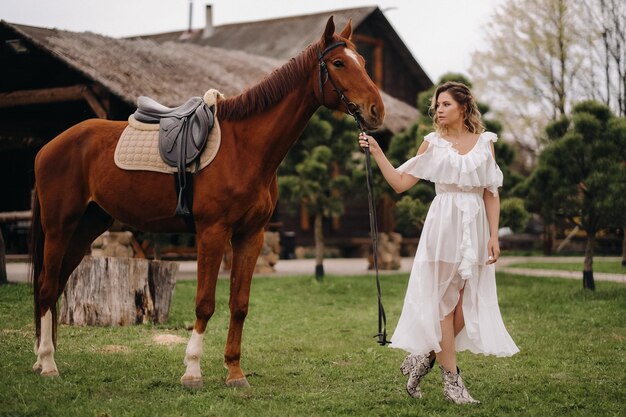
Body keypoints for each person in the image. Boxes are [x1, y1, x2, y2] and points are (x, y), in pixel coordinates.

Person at [359, 81, 518, 405]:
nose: (438, 110)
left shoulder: (485, 144)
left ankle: (425, 357)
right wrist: (377, 152)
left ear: (463, 107)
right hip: (443, 225)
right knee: (445, 303)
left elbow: (491, 192)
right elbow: (401, 183)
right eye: (437, 105)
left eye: (445, 104)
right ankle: (452, 382)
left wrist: (493, 235)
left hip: (474, 225)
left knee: (466, 300)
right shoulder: (432, 144)